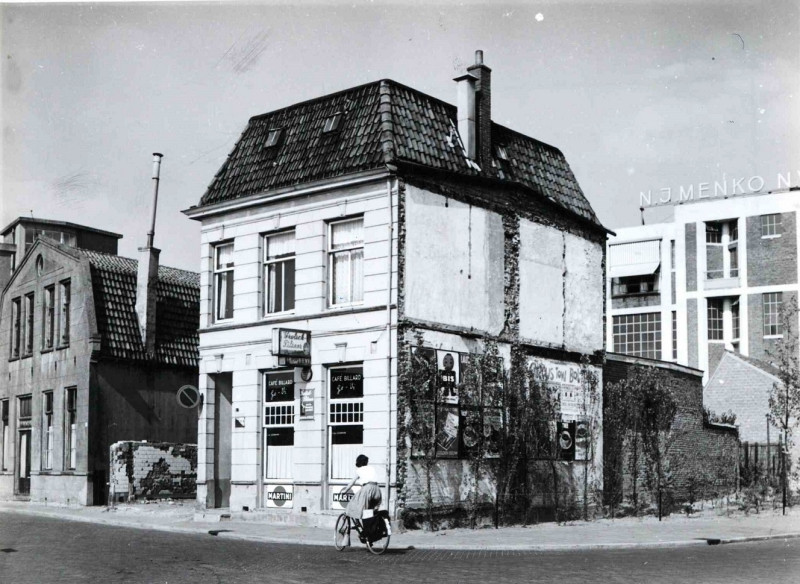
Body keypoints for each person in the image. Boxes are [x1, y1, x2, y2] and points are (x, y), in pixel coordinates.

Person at [342, 454, 382, 529]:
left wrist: (345, 490)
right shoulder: (371, 468)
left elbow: (352, 482)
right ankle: (370, 530)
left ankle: (359, 525)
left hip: (367, 489)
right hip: (377, 489)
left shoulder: (359, 470)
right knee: (370, 511)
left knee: (353, 504)